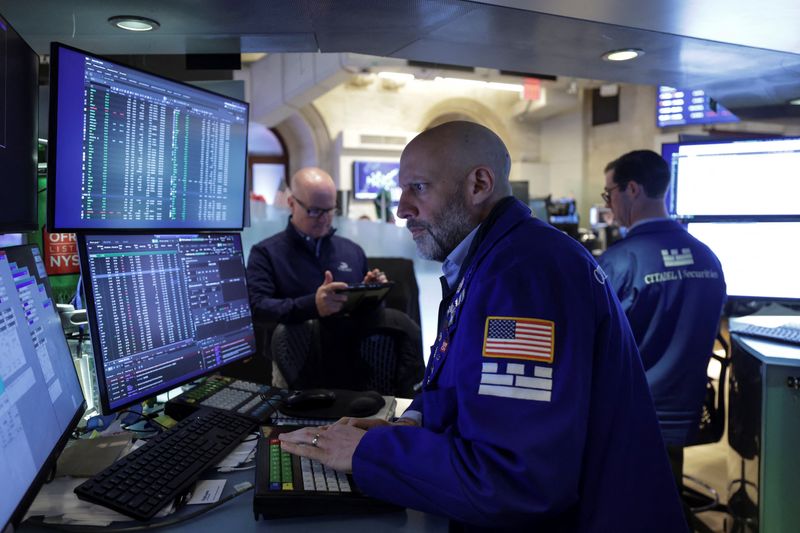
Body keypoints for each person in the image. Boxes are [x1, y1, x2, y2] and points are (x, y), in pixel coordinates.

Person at [280, 122, 687, 531]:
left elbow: (515, 480)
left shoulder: (523, 279)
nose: (401, 208)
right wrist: (410, 423)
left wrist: (371, 451)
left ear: (478, 184)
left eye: (418, 188)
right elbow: (467, 384)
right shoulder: (492, 261)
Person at [597, 150, 726, 486]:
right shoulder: (707, 257)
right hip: (688, 411)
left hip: (631, 416)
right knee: (666, 494)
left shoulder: (618, 262)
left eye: (609, 193)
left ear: (633, 189)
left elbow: (592, 343)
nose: (609, 204)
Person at [246, 167, 386, 323]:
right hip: (296, 346)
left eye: (330, 210)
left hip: (351, 344)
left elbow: (369, 317)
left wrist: (370, 295)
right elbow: (256, 307)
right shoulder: (266, 254)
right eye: (314, 211)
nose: (324, 218)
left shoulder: (352, 251)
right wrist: (312, 306)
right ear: (291, 204)